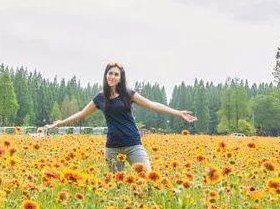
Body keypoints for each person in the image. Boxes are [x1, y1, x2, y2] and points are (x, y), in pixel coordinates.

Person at [45, 61, 197, 172]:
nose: (112, 76)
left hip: (133, 144)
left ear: (120, 78)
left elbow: (152, 105)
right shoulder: (100, 97)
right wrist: (60, 123)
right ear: (106, 75)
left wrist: (178, 113)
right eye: (110, 73)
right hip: (112, 148)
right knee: (117, 186)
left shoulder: (128, 94)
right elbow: (81, 114)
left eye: (116, 74)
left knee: (148, 179)